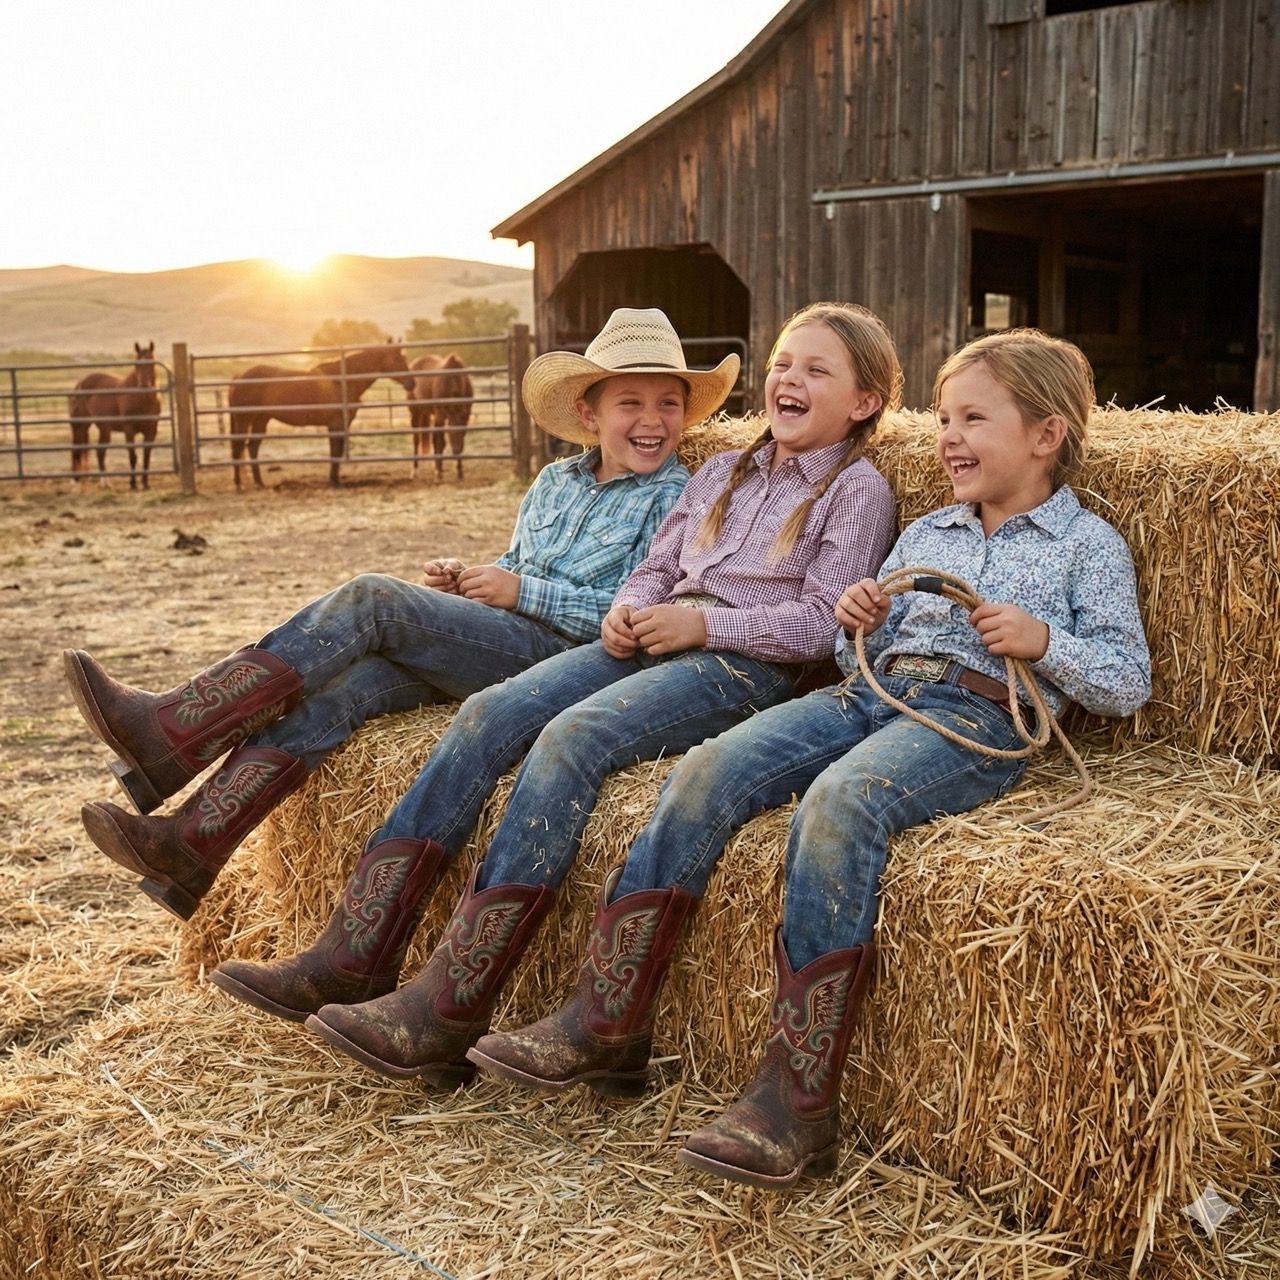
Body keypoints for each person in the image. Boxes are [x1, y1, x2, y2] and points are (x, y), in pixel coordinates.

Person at [466, 328, 1152, 1189]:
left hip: (972, 716)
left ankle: (796, 1102)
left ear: (1045, 436)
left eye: (973, 419)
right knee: (705, 767)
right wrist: (864, 616)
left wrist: (1043, 639)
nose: (947, 438)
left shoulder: (1086, 545)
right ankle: (608, 1013)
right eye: (944, 418)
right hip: (871, 690)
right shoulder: (930, 528)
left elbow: (1127, 679)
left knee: (841, 800)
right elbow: (848, 638)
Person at [209, 302, 902, 1089]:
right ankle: (356, 951)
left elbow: (820, 626)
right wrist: (627, 609)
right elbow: (657, 563)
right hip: (652, 638)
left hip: (740, 666)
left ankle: (453, 1001)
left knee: (573, 737)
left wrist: (701, 628)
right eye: (782, 362)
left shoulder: (858, 489)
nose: (789, 379)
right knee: (489, 710)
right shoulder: (721, 472)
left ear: (865, 403)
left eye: (817, 370)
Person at [64, 307, 735, 921]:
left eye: (668, 404)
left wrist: (521, 595)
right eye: (631, 402)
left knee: (372, 598)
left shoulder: (678, 496)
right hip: (497, 641)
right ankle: (192, 845)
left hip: (567, 664)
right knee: (346, 689)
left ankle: (173, 733)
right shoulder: (555, 482)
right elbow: (515, 562)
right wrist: (467, 582)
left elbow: (635, 619)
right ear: (589, 413)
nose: (652, 420)